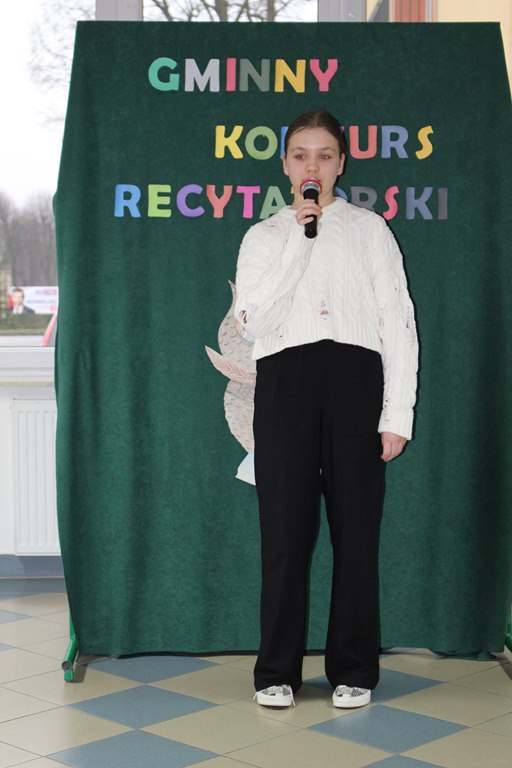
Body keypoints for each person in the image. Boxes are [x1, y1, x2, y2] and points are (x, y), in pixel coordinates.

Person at [234, 108, 418, 710]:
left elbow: (398, 323)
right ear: (286, 166)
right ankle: (276, 671)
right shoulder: (264, 237)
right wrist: (298, 237)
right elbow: (252, 322)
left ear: (341, 163)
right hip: (284, 384)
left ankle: (353, 668)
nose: (312, 165)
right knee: (284, 534)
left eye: (324, 154)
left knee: (356, 532)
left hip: (355, 382)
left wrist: (396, 414)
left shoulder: (370, 230)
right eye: (300, 155)